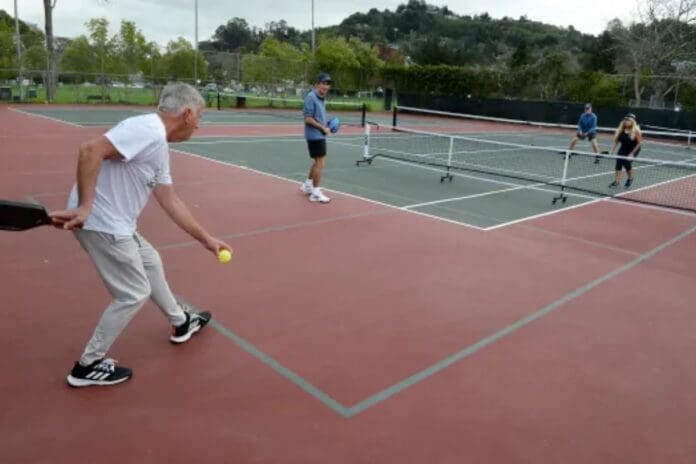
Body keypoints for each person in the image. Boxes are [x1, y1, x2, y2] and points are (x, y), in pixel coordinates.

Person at [51, 82, 232, 388]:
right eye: (199, 118)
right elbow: (90, 150)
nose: (198, 126)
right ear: (187, 114)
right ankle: (88, 365)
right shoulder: (147, 129)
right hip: (104, 226)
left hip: (118, 225)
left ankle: (180, 322)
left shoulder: (157, 145)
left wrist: (206, 239)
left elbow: (170, 199)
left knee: (151, 262)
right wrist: (85, 206)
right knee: (133, 293)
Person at [300, 72, 333, 203]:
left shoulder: (321, 98)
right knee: (320, 163)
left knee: (317, 161)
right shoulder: (311, 97)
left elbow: (319, 116)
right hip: (314, 135)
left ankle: (308, 184)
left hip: (320, 134)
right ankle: (316, 192)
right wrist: (322, 128)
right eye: (323, 83)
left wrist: (328, 125)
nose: (325, 86)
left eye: (327, 84)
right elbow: (308, 118)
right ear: (317, 84)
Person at [608, 113, 643, 188]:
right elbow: (616, 141)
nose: (626, 121)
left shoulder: (636, 131)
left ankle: (630, 178)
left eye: (628, 120)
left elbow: (639, 143)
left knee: (626, 162)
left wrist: (632, 153)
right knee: (619, 162)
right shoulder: (621, 130)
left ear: (632, 122)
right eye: (625, 120)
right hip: (624, 148)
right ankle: (617, 181)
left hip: (634, 148)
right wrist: (612, 150)